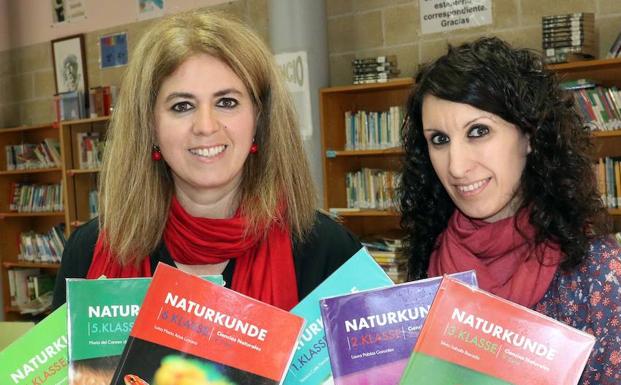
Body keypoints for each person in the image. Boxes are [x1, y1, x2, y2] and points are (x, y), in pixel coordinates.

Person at [53, 10, 361, 312]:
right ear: (149, 126)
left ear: (259, 120)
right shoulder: (88, 251)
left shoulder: (326, 250)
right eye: (182, 106)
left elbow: (379, 363)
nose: (206, 125)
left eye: (227, 102)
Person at [400, 37, 620, 384]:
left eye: (478, 131)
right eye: (439, 140)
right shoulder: (427, 260)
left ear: (529, 134)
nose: (456, 166)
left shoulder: (596, 271)